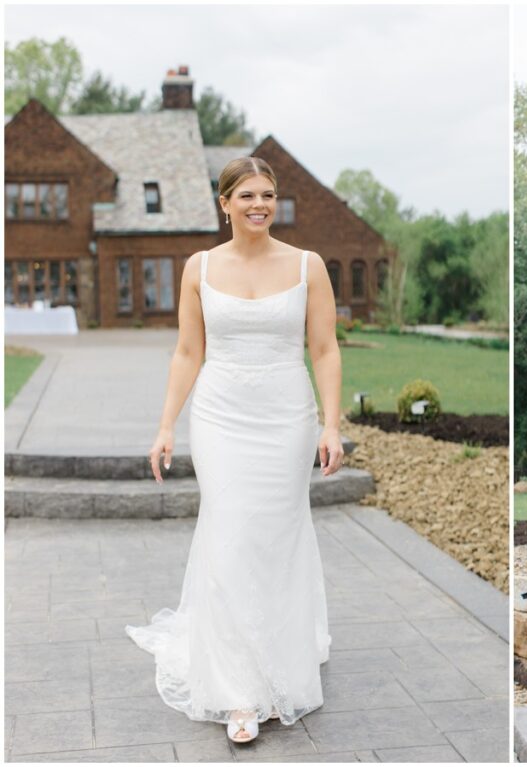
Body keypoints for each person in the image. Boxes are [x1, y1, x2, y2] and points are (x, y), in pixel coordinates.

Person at [127, 156, 345, 743]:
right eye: (246, 195)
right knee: (227, 532)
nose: (259, 205)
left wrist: (331, 424)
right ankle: (236, 693)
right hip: (222, 416)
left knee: (276, 533)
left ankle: (281, 661)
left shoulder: (307, 266)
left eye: (268, 195)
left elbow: (324, 349)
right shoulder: (199, 267)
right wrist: (166, 424)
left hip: (286, 416)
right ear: (223, 203)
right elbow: (187, 352)